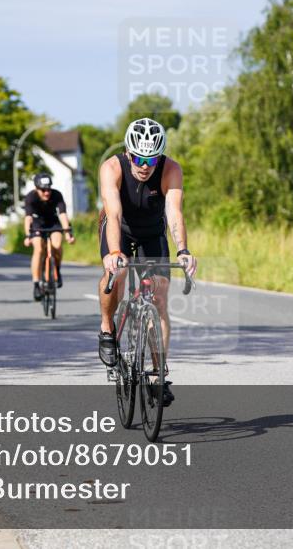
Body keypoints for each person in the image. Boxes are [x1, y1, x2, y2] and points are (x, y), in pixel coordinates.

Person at [97, 117, 197, 407]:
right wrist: (115, 253)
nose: (144, 165)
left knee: (160, 300)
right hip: (121, 228)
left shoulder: (171, 170)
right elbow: (113, 215)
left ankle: (158, 375)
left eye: (151, 159)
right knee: (116, 272)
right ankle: (106, 327)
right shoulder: (112, 168)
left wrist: (183, 250)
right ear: (129, 152)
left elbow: (175, 213)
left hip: (153, 232)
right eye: (139, 158)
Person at [23, 173, 76, 301]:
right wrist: (27, 235)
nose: (47, 192)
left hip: (53, 223)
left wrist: (68, 232)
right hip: (37, 224)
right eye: (43, 190)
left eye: (49, 189)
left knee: (57, 245)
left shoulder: (57, 195)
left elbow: (63, 214)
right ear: (36, 189)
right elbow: (28, 218)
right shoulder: (31, 197)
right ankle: (36, 284)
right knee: (39, 249)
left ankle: (57, 269)